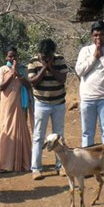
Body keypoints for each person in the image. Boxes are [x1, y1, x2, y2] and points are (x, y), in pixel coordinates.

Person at [75, 20, 104, 153]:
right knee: (87, 133)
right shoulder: (85, 51)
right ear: (91, 36)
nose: (98, 38)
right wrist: (93, 58)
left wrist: (102, 58)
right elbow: (79, 71)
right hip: (87, 97)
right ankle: (87, 166)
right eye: (95, 35)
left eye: (101, 34)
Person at [28, 38, 68, 180]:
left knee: (59, 136)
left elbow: (62, 79)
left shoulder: (60, 60)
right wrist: (45, 67)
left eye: (49, 56)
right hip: (41, 103)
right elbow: (33, 81)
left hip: (59, 103)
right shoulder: (33, 62)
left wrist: (51, 67)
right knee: (38, 136)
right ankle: (36, 169)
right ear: (39, 53)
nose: (47, 59)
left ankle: (61, 166)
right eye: (44, 57)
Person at [0, 46, 33, 172]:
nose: (12, 58)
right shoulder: (3, 69)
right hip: (7, 105)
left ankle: (23, 163)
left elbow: (29, 86)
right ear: (6, 57)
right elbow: (0, 87)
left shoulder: (23, 69)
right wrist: (12, 73)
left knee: (22, 131)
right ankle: (6, 164)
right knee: (7, 130)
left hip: (21, 104)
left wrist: (19, 74)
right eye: (10, 56)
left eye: (14, 56)